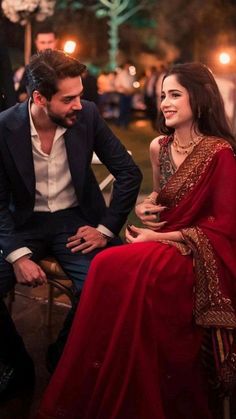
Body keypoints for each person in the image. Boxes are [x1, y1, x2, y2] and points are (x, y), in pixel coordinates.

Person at [36, 62, 236, 419]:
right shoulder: (160, 146)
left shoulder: (220, 152)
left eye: (175, 95)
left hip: (196, 251)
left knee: (114, 265)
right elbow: (160, 199)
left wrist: (161, 237)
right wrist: (146, 208)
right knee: (108, 266)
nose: (165, 103)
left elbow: (224, 226)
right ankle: (100, 374)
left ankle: (125, 377)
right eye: (162, 95)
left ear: (201, 99)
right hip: (158, 240)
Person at [0, 49, 142, 401]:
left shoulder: (88, 115)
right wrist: (17, 255)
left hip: (76, 224)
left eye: (80, 95)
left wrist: (106, 229)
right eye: (69, 99)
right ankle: (18, 365)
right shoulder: (4, 127)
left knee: (109, 280)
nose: (80, 104)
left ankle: (61, 356)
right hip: (22, 225)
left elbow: (128, 172)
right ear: (39, 98)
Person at [15, 25, 58, 102]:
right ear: (36, 43)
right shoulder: (31, 66)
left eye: (50, 42)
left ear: (56, 41)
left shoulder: (64, 64)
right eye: (42, 42)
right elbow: (21, 93)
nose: (46, 46)